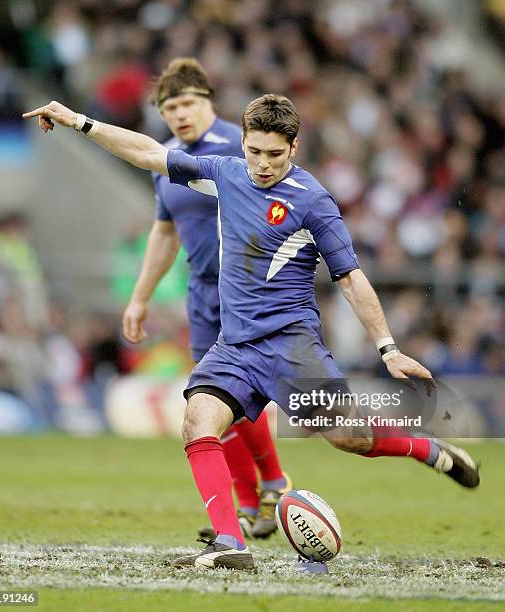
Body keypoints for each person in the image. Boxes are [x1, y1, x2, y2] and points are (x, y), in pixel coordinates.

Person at [23, 93, 480, 572]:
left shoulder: (313, 201)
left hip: (291, 347)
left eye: (274, 154)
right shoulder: (225, 172)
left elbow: (350, 277)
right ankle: (229, 540)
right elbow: (147, 153)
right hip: (235, 345)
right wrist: (78, 121)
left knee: (351, 438)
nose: (262, 164)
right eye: (254, 151)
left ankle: (429, 449)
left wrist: (388, 348)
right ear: (242, 142)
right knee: (198, 422)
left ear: (294, 147)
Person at [125, 58, 293, 539]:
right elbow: (164, 234)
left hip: (249, 292)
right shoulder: (166, 162)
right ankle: (249, 501)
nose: (179, 114)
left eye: (187, 103)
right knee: (214, 398)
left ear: (208, 102)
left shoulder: (243, 150)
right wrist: (140, 298)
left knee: (240, 397)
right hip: (203, 292)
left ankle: (273, 483)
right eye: (169, 106)